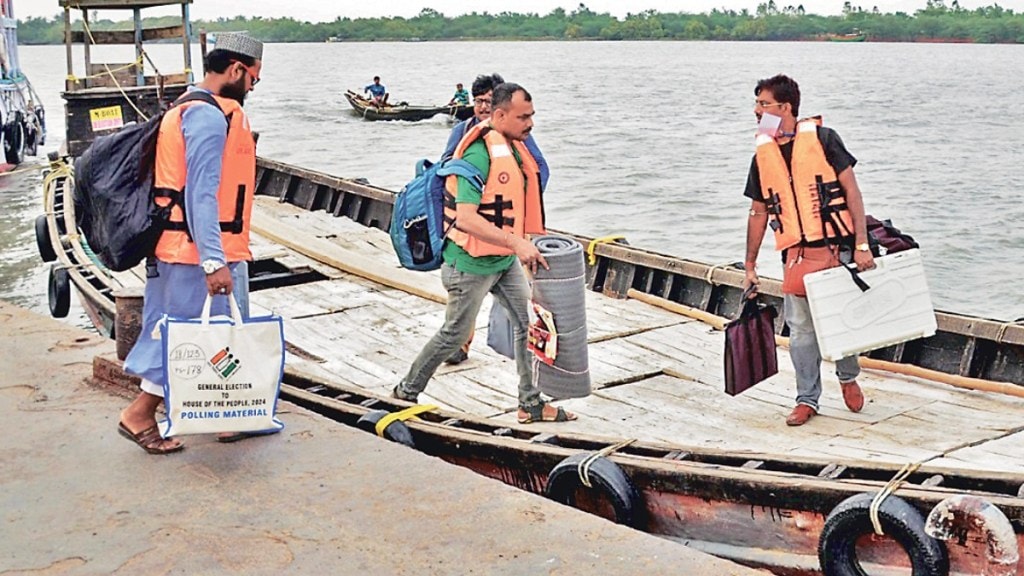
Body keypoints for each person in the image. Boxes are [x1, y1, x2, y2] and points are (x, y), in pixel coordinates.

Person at [393, 83, 576, 425]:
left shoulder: (515, 147)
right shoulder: (479, 152)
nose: (530, 123)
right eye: (523, 117)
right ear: (500, 115)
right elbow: (465, 217)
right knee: (454, 334)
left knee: (528, 326)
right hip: (469, 264)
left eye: (532, 115)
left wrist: (524, 244)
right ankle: (405, 391)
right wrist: (517, 244)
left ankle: (530, 403)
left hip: (503, 261)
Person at [118, 32, 266, 454]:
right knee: (184, 340)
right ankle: (140, 414)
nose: (252, 87)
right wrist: (212, 261)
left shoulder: (188, 105)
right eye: (253, 78)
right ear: (236, 69)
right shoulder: (206, 116)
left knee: (206, 335)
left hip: (182, 246)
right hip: (193, 252)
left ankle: (225, 416)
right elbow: (201, 193)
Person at [742, 74, 874, 427]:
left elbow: (852, 192)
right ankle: (806, 399)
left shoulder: (825, 139)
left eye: (763, 104)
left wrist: (861, 244)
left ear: (785, 107)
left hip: (837, 249)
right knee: (800, 332)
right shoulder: (762, 154)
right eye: (756, 104)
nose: (756, 111)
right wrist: (750, 264)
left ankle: (847, 376)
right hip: (796, 255)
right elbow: (758, 212)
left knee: (841, 322)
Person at [440, 72, 550, 364]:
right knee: (464, 299)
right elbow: (445, 169)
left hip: (506, 232)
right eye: (479, 102)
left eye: (489, 101)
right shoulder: (464, 131)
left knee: (514, 302)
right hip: (469, 228)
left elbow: (538, 170)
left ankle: (518, 365)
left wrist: (521, 206)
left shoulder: (514, 137)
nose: (483, 108)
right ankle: (460, 345)